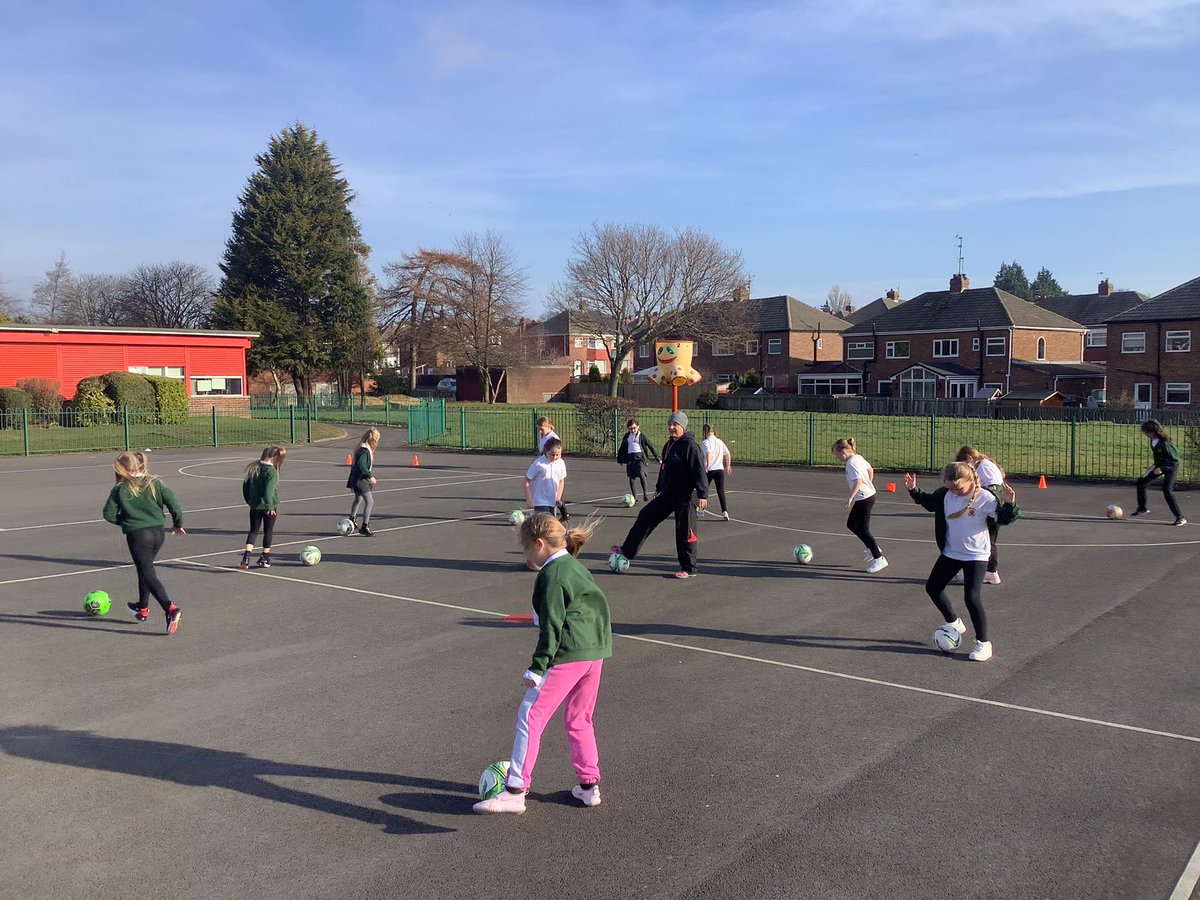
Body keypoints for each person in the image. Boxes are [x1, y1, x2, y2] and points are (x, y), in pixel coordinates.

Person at [473, 513, 611, 815]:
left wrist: (537, 667)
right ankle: (589, 786)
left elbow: (552, 626)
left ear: (539, 543)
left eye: (527, 550)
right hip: (594, 652)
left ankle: (514, 791)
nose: (528, 557)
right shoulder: (575, 567)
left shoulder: (552, 575)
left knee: (530, 715)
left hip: (568, 654)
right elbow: (598, 607)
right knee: (579, 718)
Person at [903, 463, 1020, 662]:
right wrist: (914, 490)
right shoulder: (945, 494)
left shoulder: (985, 497)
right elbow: (930, 502)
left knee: (971, 597)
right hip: (951, 552)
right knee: (933, 587)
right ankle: (954, 622)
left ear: (971, 481)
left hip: (976, 555)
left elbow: (1004, 519)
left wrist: (1009, 503)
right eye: (951, 488)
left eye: (959, 488)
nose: (955, 492)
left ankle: (983, 643)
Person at [611, 410, 707, 579]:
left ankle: (689, 567)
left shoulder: (690, 446)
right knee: (646, 515)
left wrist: (703, 494)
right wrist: (659, 487)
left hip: (686, 495)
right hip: (669, 493)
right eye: (670, 424)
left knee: (684, 530)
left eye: (675, 425)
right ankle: (627, 550)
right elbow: (665, 469)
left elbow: (699, 470)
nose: (671, 427)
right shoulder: (669, 444)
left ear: (682, 427)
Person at [102, 451, 185, 635]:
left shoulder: (120, 489)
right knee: (144, 568)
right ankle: (142, 607)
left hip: (138, 536)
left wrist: (125, 522)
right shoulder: (155, 483)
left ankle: (170, 608)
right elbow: (174, 505)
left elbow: (108, 514)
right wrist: (178, 524)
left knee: (148, 572)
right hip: (158, 533)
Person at [833, 437, 886, 573]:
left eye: (836, 454)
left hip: (865, 498)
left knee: (863, 529)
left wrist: (850, 497)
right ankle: (871, 548)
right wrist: (869, 484)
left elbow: (858, 480)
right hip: (868, 495)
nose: (836, 457)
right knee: (851, 524)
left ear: (843, 451)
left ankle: (879, 558)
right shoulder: (858, 458)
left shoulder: (851, 463)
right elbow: (870, 470)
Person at [954, 446, 1006, 584]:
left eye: (965, 463)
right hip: (993, 506)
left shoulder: (983, 467)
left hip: (991, 507)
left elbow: (992, 487)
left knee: (987, 539)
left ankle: (990, 571)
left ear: (969, 458)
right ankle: (990, 572)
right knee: (988, 538)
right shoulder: (986, 464)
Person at [1133, 419, 1186, 526]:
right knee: (1141, 482)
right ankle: (1142, 507)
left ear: (1152, 432)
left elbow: (1174, 460)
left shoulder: (1165, 443)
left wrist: (1163, 468)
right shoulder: (1153, 441)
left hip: (1170, 467)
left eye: (1146, 432)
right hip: (1158, 466)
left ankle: (1180, 517)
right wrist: (1156, 467)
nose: (1145, 435)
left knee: (1167, 490)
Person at [240, 446, 286, 570]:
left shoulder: (254, 468)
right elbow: (269, 491)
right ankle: (265, 557)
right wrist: (270, 506)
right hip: (268, 507)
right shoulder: (271, 472)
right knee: (268, 531)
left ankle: (246, 557)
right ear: (275, 458)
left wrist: (250, 501)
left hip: (254, 506)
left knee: (253, 531)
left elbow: (245, 486)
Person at [616, 418, 659, 502]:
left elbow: (650, 446)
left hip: (640, 459)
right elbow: (622, 448)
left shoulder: (641, 436)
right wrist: (620, 460)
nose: (633, 430)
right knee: (631, 479)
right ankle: (634, 497)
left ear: (638, 427)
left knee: (641, 474)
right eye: (630, 428)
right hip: (631, 459)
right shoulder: (627, 436)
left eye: (634, 428)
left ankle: (645, 494)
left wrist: (658, 458)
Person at [536, 416, 570, 522]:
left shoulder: (553, 438)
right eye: (539, 429)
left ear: (549, 427)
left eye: (542, 428)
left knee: (554, 492)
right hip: (544, 463)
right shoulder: (544, 436)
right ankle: (564, 513)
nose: (540, 431)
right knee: (550, 491)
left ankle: (562, 513)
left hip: (552, 466)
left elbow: (553, 452)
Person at [347, 428, 379, 536]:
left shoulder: (361, 448)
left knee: (358, 499)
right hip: (361, 480)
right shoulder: (364, 450)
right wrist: (370, 477)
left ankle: (352, 519)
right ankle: (365, 526)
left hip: (355, 478)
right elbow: (361, 465)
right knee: (370, 502)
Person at [525, 438, 567, 516]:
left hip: (552, 501)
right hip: (540, 501)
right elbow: (527, 480)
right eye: (552, 454)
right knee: (545, 524)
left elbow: (561, 480)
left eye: (557, 455)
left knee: (551, 524)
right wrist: (529, 499)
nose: (555, 457)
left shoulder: (561, 463)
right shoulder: (538, 464)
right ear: (546, 451)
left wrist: (558, 497)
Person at [700, 424, 733, 520]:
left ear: (705, 432)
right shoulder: (720, 442)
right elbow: (727, 453)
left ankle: (700, 510)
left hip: (710, 470)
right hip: (719, 470)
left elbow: (708, 453)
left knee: (702, 490)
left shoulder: (706, 442)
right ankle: (725, 512)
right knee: (720, 491)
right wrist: (728, 465)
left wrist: (708, 465)